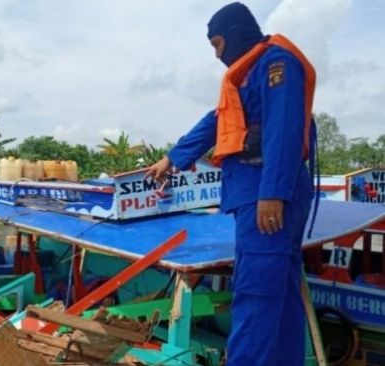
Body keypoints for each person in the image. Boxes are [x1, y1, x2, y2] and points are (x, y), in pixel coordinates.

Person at [146, 3, 316, 365]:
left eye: (217, 44)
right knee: (280, 296)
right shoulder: (245, 77)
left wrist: (273, 192)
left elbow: (283, 129)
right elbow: (217, 121)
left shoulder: (276, 65)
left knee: (256, 295)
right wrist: (173, 158)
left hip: (266, 198)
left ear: (235, 34)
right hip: (257, 195)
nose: (217, 55)